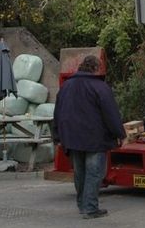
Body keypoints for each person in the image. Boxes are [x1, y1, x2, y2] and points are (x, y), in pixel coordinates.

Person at [53, 55, 126, 219]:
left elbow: (57, 112)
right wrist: (119, 134)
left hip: (71, 138)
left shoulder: (66, 86)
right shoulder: (100, 87)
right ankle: (90, 208)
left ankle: (82, 205)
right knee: (94, 173)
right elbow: (111, 114)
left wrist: (57, 135)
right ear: (96, 69)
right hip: (94, 138)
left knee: (80, 173)